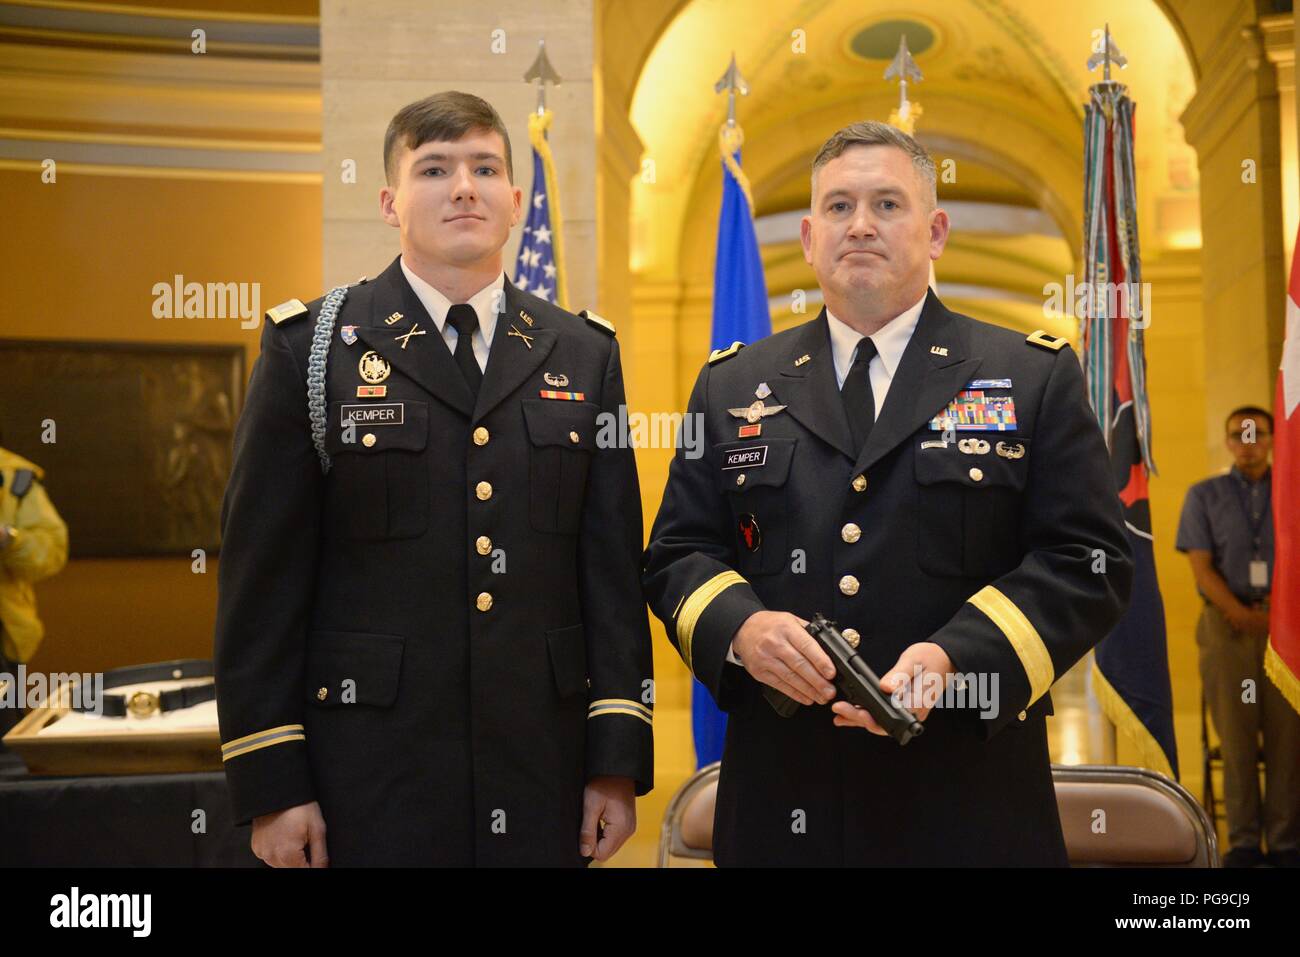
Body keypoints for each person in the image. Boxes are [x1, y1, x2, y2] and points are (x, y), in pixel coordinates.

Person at [642, 120, 1133, 866]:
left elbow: (1088, 561)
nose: (860, 225)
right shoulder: (733, 384)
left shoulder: (1030, 375)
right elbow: (678, 552)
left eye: (887, 205)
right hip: (784, 801)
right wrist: (740, 628)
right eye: (838, 208)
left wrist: (955, 660)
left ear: (935, 230)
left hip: (968, 800)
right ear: (809, 238)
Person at [214, 91, 653, 867]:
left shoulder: (584, 355)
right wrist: (274, 783)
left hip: (539, 768)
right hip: (369, 771)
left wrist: (615, 762)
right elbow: (260, 585)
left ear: (515, 200)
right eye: (434, 168)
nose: (463, 186)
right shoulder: (312, 350)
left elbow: (611, 577)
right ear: (390, 201)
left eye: (486, 167)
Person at [1176, 406, 1300, 868]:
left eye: (1257, 434)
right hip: (1226, 630)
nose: (1248, 443)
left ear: (1272, 439)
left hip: (1287, 630)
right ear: (1228, 441)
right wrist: (1238, 612)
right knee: (1236, 735)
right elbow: (1201, 566)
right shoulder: (1203, 496)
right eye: (1239, 435)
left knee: (1289, 738)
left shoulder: (1293, 491)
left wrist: (1278, 617)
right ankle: (1244, 842)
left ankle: (1287, 843)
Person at [0, 441, 69, 745]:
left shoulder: (15, 476)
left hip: (3, 635)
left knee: (6, 749)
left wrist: (8, 538)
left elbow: (51, 552)